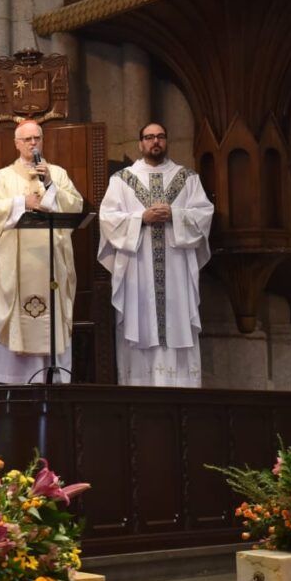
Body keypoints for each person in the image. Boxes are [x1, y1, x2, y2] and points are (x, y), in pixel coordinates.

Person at [97, 122, 213, 387]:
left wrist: (175, 214)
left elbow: (204, 214)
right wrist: (141, 218)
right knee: (140, 320)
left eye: (160, 136)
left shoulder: (188, 178)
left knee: (177, 318)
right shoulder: (122, 180)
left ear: (167, 141)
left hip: (176, 268)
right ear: (140, 144)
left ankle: (182, 386)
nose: (155, 142)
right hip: (137, 267)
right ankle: (139, 385)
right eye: (149, 137)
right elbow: (108, 219)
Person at [0, 120, 84, 384]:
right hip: (18, 265)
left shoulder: (56, 174)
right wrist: (21, 202)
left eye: (36, 138)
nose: (32, 143)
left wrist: (50, 185)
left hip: (50, 261)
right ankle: (18, 377)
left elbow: (75, 206)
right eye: (26, 139)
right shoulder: (2, 178)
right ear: (16, 143)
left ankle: (53, 377)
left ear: (43, 140)